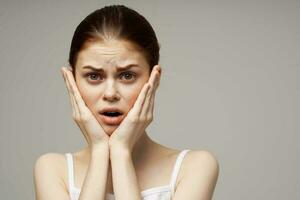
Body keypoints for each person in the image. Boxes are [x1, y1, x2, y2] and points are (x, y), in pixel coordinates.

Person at [34, 4, 219, 200]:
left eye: (127, 75)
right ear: (71, 80)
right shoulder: (53, 170)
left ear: (154, 79)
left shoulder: (195, 167)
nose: (110, 93)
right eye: (94, 76)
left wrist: (121, 152)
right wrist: (99, 151)